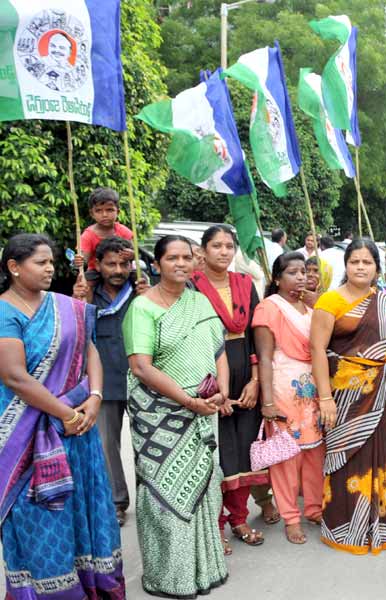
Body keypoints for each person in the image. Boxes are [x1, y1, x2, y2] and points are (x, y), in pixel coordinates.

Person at [0, 234, 124, 599]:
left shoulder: (65, 306)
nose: (51, 268)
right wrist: (66, 413)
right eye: (41, 262)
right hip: (28, 434)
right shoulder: (4, 312)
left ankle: (92, 588)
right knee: (39, 519)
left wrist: (96, 396)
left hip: (77, 430)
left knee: (83, 511)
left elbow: (90, 350)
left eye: (51, 261)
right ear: (13, 268)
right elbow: (14, 376)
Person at [124, 235, 229, 597]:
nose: (181, 263)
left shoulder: (200, 302)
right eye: (172, 258)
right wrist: (186, 400)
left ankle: (205, 568)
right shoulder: (143, 307)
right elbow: (140, 366)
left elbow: (218, 351)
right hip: (160, 413)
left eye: (187, 257)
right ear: (157, 264)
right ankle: (169, 576)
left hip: (203, 407)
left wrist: (223, 390)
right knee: (163, 492)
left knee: (203, 487)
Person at [312, 238, 386, 554]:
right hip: (343, 394)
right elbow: (318, 352)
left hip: (378, 391)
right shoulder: (330, 302)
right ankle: (343, 528)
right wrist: (325, 398)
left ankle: (377, 526)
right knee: (343, 455)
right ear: (346, 265)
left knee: (377, 453)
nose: (361, 267)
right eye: (355, 262)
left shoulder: (385, 299)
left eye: (367, 262)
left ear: (377, 267)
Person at [193, 225, 271, 553]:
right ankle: (216, 524)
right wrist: (214, 389)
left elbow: (254, 334)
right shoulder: (190, 286)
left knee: (243, 449)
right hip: (209, 373)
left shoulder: (244, 283)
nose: (223, 252)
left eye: (229, 246)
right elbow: (193, 339)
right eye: (216, 246)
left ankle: (240, 518)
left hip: (244, 368)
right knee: (218, 454)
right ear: (204, 250)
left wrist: (255, 381)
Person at [71, 236, 147, 527]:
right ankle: (117, 501)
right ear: (98, 265)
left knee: (148, 444)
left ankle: (152, 501)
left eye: (124, 263)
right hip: (103, 381)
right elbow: (76, 335)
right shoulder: (86, 292)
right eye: (111, 264)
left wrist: (147, 284)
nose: (118, 269)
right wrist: (82, 303)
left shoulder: (142, 288)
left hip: (142, 379)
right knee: (106, 445)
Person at [252, 252, 324, 545]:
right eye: (292, 272)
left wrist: (316, 304)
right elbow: (265, 358)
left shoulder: (311, 308)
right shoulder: (269, 308)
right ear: (277, 278)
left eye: (303, 272)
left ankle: (315, 508)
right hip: (283, 387)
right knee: (286, 456)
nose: (300, 277)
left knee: (314, 453)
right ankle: (291, 517)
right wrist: (267, 401)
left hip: (313, 389)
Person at [75, 188, 135, 281]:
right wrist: (79, 261)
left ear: (117, 212)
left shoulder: (124, 232)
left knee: (141, 277)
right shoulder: (88, 236)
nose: (104, 215)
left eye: (109, 210)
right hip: (96, 271)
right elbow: (84, 260)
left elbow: (135, 252)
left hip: (122, 269)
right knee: (86, 282)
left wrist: (132, 255)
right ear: (92, 213)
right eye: (98, 211)